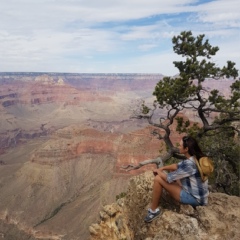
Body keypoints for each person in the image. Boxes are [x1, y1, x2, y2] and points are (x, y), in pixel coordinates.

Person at [144, 136, 209, 223]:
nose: (178, 147)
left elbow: (168, 178)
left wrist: (158, 171)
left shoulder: (189, 164)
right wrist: (162, 168)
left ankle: (153, 211)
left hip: (196, 200)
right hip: (201, 197)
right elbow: (176, 166)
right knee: (172, 170)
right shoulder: (195, 158)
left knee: (158, 179)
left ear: (186, 149)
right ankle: (177, 189)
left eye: (180, 145)